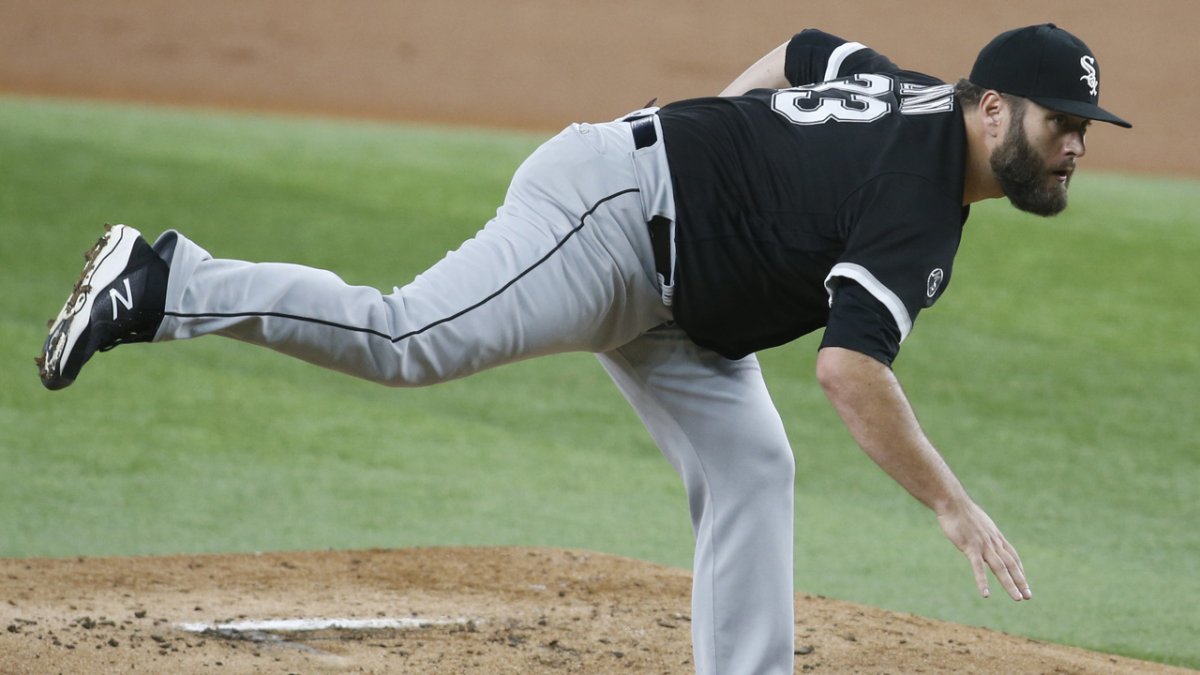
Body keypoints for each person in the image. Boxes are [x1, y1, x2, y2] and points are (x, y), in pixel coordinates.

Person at [37, 23, 1129, 675]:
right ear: (991, 109)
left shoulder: (916, 98)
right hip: (611, 219)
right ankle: (168, 279)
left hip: (681, 307)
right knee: (405, 335)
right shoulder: (922, 202)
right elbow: (849, 370)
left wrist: (727, 138)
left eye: (1082, 127)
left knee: (753, 467)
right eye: (1055, 121)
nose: (1073, 143)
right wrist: (951, 502)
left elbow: (806, 49)